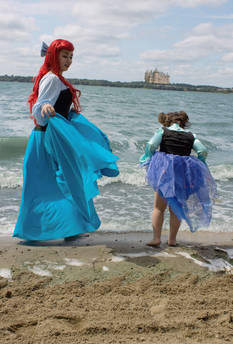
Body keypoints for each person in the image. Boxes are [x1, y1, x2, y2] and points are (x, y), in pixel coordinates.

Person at [13, 39, 119, 241]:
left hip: (52, 137)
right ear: (53, 56)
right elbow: (40, 106)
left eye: (71, 56)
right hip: (46, 139)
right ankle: (48, 230)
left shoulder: (56, 78)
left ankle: (68, 229)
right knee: (57, 182)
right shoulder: (52, 79)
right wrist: (44, 108)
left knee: (63, 182)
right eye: (65, 56)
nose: (69, 60)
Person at [139, 111, 216, 247]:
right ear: (184, 123)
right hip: (183, 175)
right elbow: (202, 150)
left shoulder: (163, 131)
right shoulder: (191, 136)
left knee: (158, 208)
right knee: (177, 207)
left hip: (165, 173)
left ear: (167, 121)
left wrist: (148, 157)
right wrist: (201, 162)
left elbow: (151, 145)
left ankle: (156, 238)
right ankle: (172, 240)